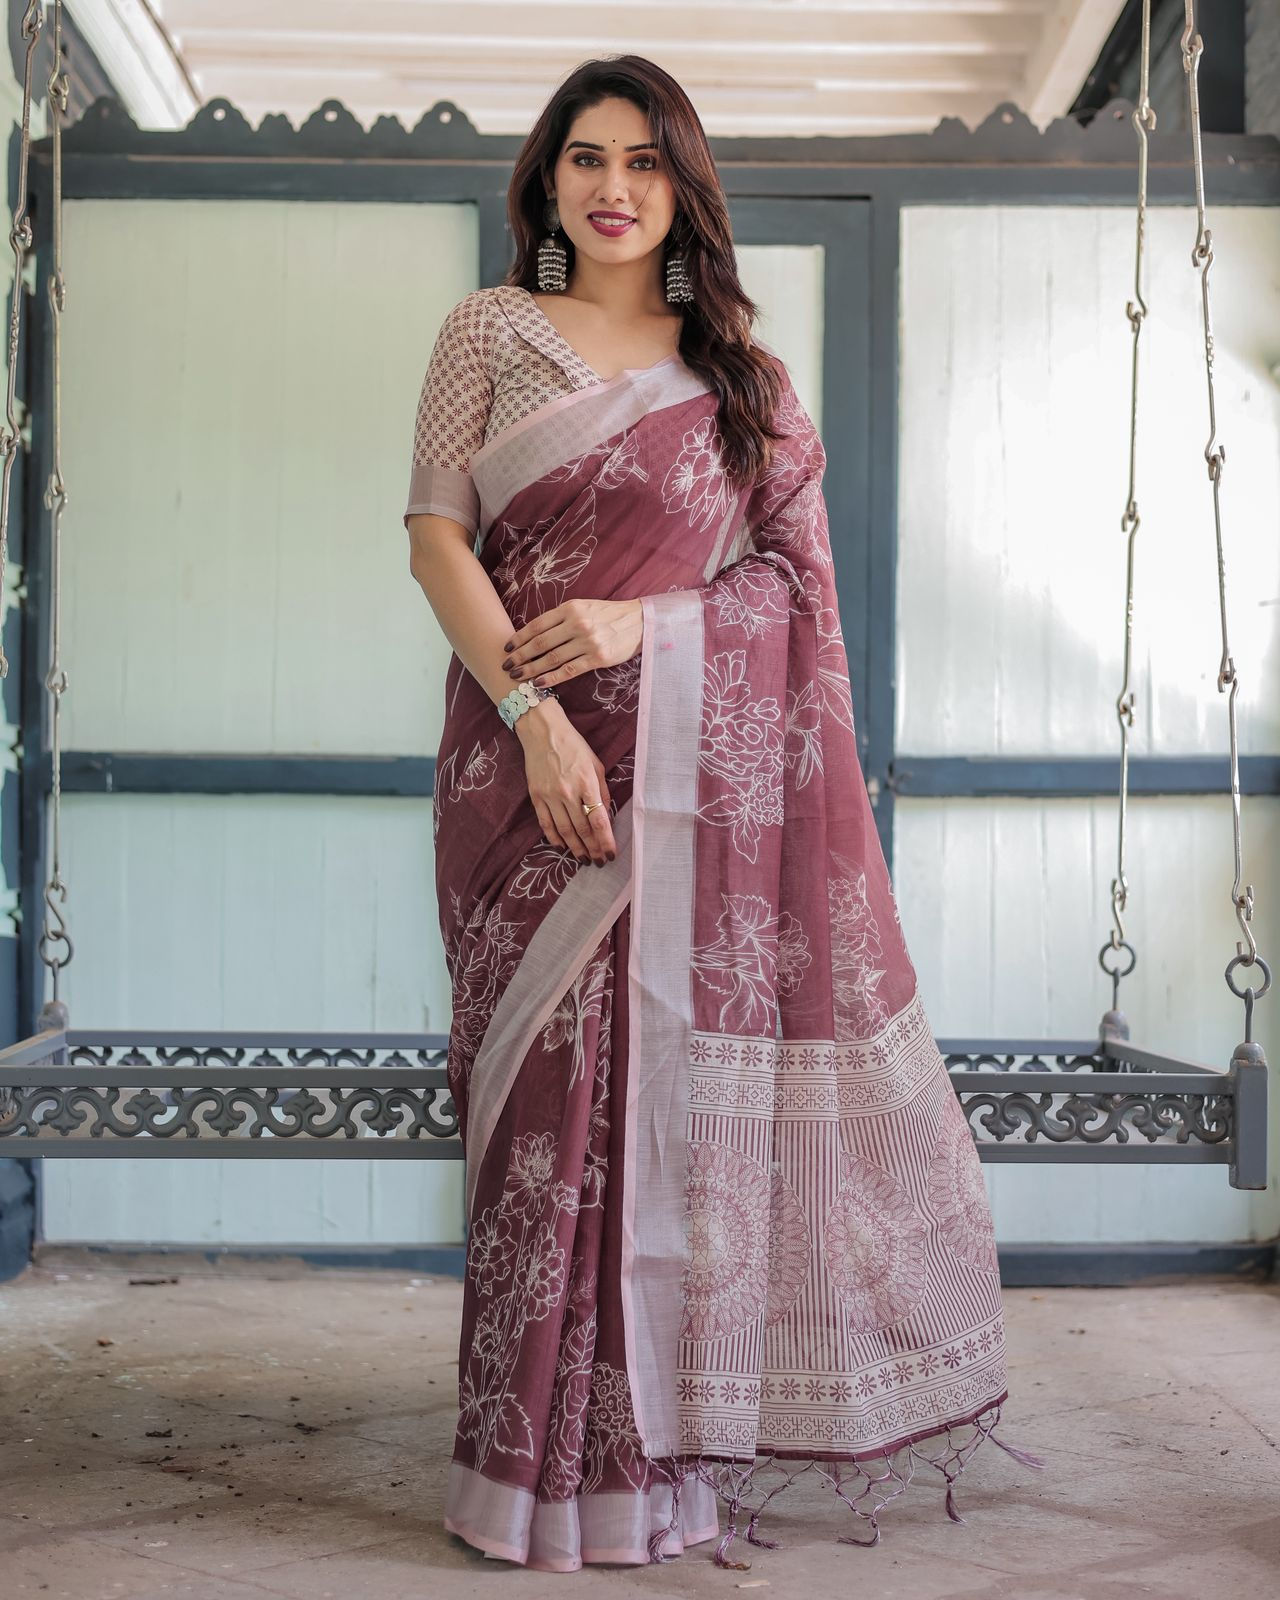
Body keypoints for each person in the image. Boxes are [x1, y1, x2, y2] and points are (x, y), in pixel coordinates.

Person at [404, 53, 1041, 1575]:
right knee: (542, 1121)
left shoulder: (739, 380)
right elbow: (436, 539)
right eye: (583, 159)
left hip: (700, 806)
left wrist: (643, 631)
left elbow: (788, 593)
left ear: (685, 185)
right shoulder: (487, 333)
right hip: (525, 784)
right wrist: (535, 716)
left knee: (672, 1121)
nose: (612, 188)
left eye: (643, 160)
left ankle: (649, 1476)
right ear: (547, 181)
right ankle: (526, 1476)